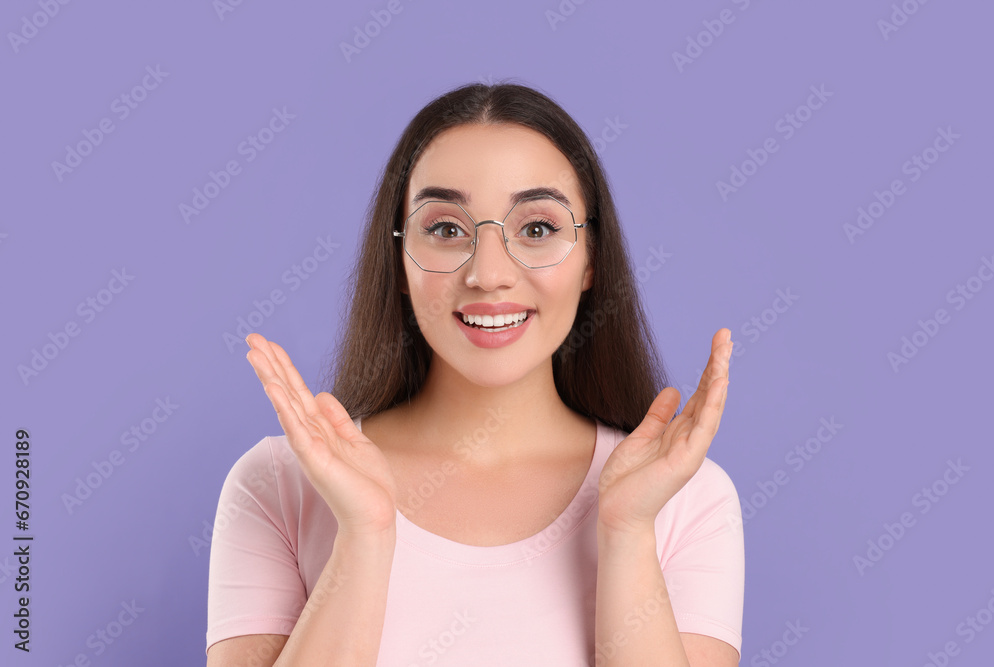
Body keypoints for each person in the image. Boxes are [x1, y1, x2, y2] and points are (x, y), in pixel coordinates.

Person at [205, 81, 743, 666]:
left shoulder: (684, 499)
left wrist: (627, 532)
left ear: (591, 260)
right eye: (444, 229)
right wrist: (365, 537)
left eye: (537, 229)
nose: (489, 274)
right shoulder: (277, 486)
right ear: (399, 259)